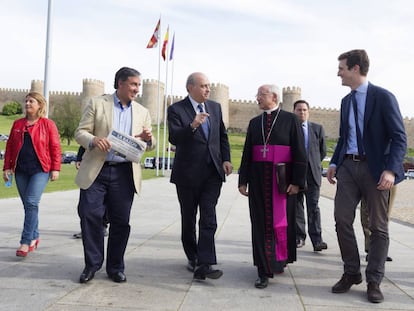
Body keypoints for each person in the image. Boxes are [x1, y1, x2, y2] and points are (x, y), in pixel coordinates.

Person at [327, 49, 407, 303]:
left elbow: (399, 137)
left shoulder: (383, 97)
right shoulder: (346, 101)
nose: (338, 72)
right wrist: (334, 162)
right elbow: (343, 137)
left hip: (376, 170)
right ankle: (351, 272)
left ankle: (374, 280)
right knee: (341, 219)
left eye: (341, 68)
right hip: (348, 167)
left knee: (377, 227)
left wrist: (391, 169)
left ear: (355, 69)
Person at [75, 67, 155, 284]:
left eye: (139, 85)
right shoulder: (97, 103)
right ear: (120, 84)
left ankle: (115, 267)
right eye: (133, 84)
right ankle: (92, 265)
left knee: (121, 221)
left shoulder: (142, 112)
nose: (137, 89)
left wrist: (148, 139)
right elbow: (80, 132)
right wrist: (92, 140)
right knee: (90, 215)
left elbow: (149, 145)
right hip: (97, 171)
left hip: (124, 173)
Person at [238, 84, 307, 289]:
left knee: (281, 222)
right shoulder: (254, 123)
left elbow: (300, 153)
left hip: (282, 182)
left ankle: (278, 260)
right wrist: (243, 180)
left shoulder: (291, 120)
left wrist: (297, 182)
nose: (257, 98)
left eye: (261, 94)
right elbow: (247, 153)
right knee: (259, 223)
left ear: (274, 97)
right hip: (259, 181)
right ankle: (262, 269)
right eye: (257, 94)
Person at [167, 72, 232, 281]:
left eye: (209, 86)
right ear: (190, 88)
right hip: (187, 175)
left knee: (208, 217)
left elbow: (222, 136)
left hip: (212, 172)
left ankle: (205, 263)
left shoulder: (215, 107)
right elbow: (175, 138)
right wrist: (192, 125)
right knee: (189, 219)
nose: (208, 89)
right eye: (203, 86)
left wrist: (226, 159)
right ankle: (193, 256)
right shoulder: (176, 109)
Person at [2, 91, 61, 257]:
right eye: (26, 101)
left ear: (40, 105)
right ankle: (35, 236)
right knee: (29, 205)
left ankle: (26, 242)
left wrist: (55, 168)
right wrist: (7, 167)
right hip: (20, 170)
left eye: (31, 101)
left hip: (40, 169)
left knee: (31, 202)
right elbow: (10, 148)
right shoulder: (18, 124)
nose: (27, 104)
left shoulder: (48, 124)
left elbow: (55, 147)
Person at [293, 100, 328, 252]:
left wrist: (312, 164)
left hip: (312, 174)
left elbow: (322, 151)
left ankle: (317, 240)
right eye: (299, 110)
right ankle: (299, 237)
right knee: (297, 207)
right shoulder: (290, 128)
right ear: (294, 111)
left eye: (304, 110)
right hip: (295, 175)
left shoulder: (317, 129)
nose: (302, 112)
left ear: (309, 111)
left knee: (313, 207)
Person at [72, 146, 108, 239]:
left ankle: (102, 225)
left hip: (109, 165)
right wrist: (79, 158)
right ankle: (86, 229)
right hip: (90, 166)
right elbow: (84, 142)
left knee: (105, 203)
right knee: (85, 205)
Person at [360, 186, 396, 262]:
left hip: (390, 178)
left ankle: (380, 250)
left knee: (385, 215)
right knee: (367, 213)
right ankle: (371, 249)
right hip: (367, 177)